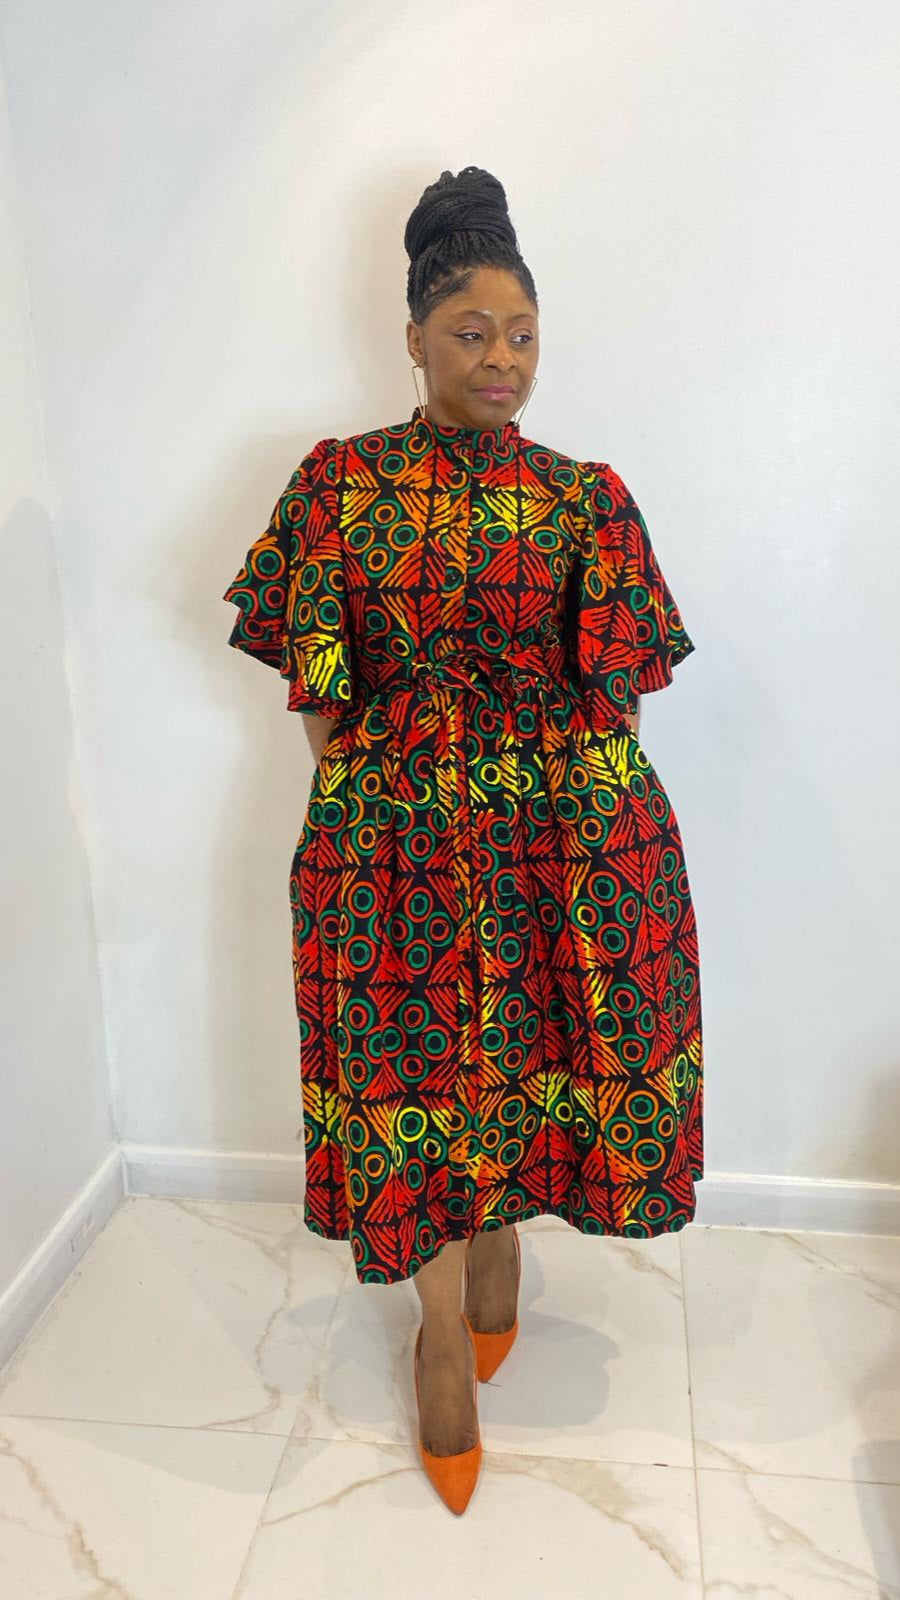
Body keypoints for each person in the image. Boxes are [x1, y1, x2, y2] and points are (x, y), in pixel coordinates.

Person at [222, 164, 704, 1515]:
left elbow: (619, 702)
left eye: (524, 335)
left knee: (538, 1053)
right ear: (416, 337)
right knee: (418, 1082)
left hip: (562, 842)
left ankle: (502, 1249)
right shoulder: (337, 485)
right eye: (473, 332)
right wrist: (392, 812)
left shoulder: (587, 498)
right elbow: (322, 701)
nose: (503, 359)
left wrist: (568, 835)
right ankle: (442, 1335)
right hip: (395, 845)